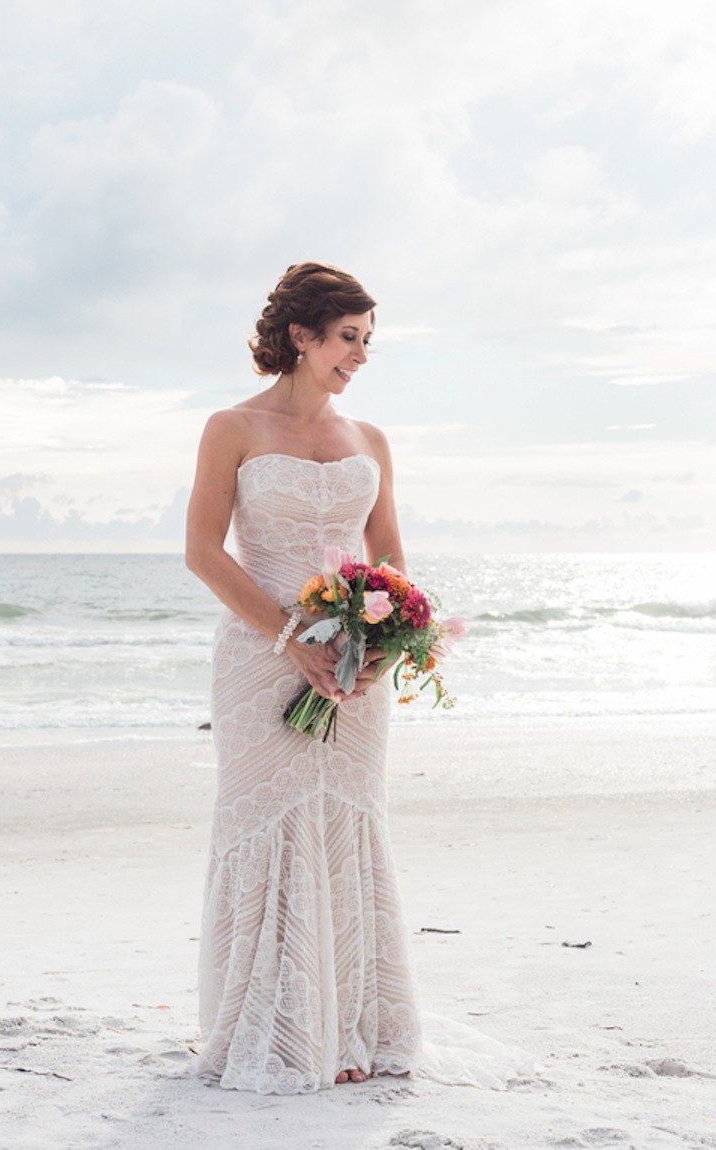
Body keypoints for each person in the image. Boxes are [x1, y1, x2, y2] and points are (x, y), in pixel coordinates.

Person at [185, 262, 529, 1094]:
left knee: (346, 826)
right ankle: (272, 1033)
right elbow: (202, 553)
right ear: (300, 336)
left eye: (369, 341)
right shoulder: (231, 427)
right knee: (268, 825)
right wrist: (291, 637)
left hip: (355, 667)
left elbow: (392, 564)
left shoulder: (370, 441)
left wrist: (380, 651)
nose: (361, 355)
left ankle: (352, 1032)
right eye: (348, 338)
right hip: (261, 661)